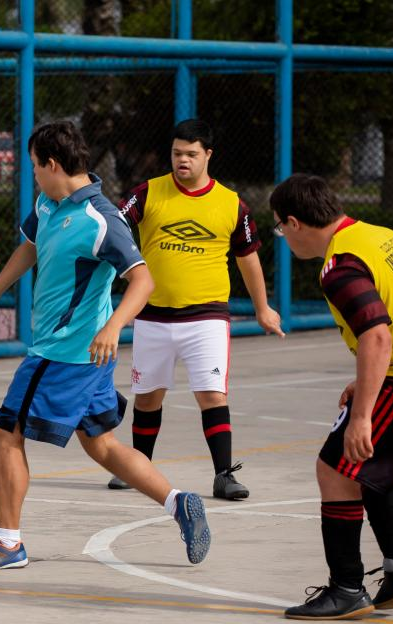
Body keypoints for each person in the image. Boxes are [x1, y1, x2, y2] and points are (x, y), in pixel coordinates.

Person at [0, 121, 211, 571]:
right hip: (80, 356)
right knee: (102, 445)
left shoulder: (101, 220)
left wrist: (113, 326)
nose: (33, 174)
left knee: (5, 435)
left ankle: (8, 543)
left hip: (63, 354)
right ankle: (178, 503)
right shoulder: (49, 202)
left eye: (35, 166)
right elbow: (30, 246)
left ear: (53, 164)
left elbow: (142, 280)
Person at [108, 119, 284, 498]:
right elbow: (113, 228)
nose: (182, 160)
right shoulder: (148, 192)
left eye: (190, 154)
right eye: (176, 153)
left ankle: (225, 475)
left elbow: (248, 258)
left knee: (211, 394)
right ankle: (140, 468)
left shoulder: (231, 204)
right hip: (153, 313)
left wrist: (262, 309)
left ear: (208, 155)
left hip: (206, 316)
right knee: (149, 395)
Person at [271, 174, 393, 620]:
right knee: (367, 470)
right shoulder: (380, 236)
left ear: (294, 222)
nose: (283, 238)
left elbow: (378, 335)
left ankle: (346, 587)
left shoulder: (340, 265)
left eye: (279, 229)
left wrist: (364, 412)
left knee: (336, 469)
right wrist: (367, 380)